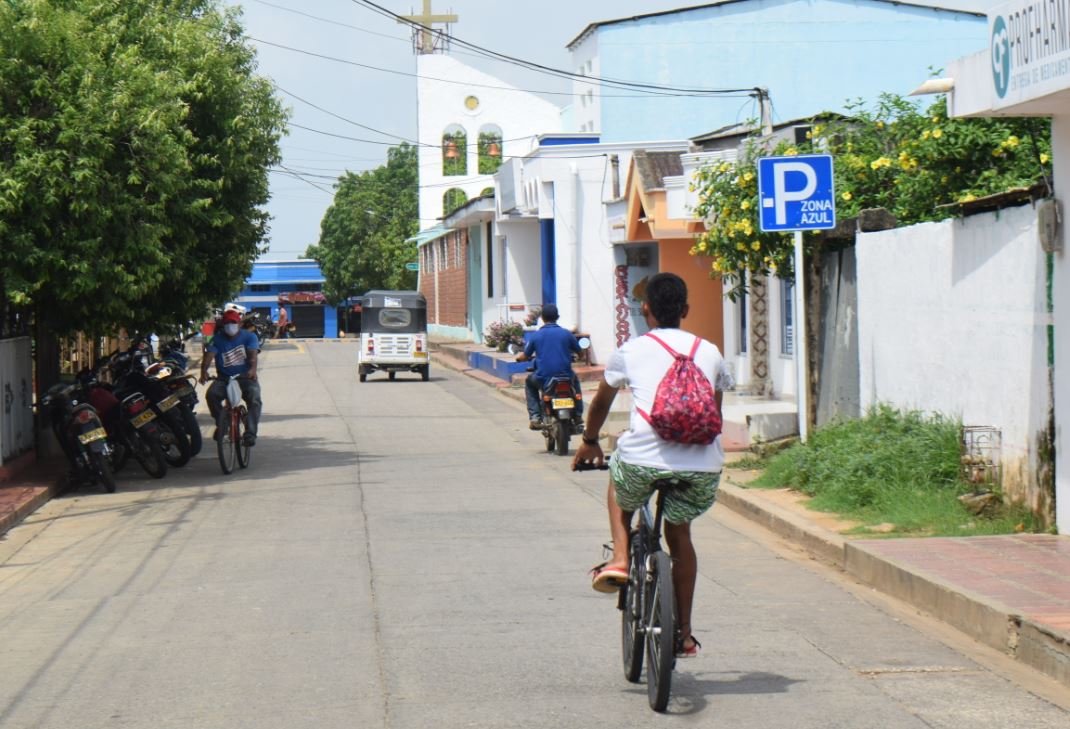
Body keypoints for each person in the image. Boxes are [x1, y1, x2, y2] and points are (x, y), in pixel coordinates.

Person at [572, 272, 733, 658]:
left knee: (619, 483)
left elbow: (601, 404)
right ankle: (686, 634)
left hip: (643, 459)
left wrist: (590, 441)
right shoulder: (709, 351)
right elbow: (714, 412)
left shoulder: (630, 350)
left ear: (645, 310)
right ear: (686, 310)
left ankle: (621, 557)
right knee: (681, 538)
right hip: (701, 467)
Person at [199, 309, 262, 446]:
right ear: (223, 325)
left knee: (254, 398)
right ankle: (223, 424)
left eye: (233, 323)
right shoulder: (217, 339)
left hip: (245, 377)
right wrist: (203, 371)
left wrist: (253, 370)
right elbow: (209, 356)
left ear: (239, 324)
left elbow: (253, 356)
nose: (230, 326)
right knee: (212, 395)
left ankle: (250, 433)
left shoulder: (249, 337)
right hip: (224, 379)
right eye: (227, 323)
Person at [516, 303, 583, 430]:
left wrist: (518, 358)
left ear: (542, 318)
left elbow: (525, 355)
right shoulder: (566, 334)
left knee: (530, 382)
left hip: (544, 378)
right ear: (557, 317)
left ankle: (535, 417)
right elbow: (580, 352)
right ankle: (578, 415)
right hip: (566, 376)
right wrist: (578, 356)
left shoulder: (536, 335)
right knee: (575, 386)